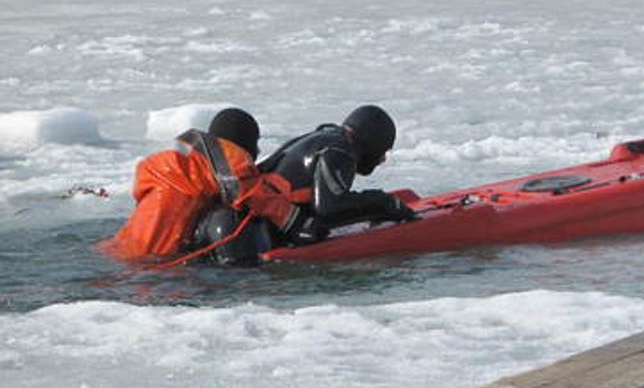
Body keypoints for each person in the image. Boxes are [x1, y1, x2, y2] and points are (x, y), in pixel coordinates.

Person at [102, 108, 301, 265]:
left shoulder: (184, 162)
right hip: (154, 263)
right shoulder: (230, 158)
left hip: (119, 250)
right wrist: (295, 220)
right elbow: (251, 194)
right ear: (244, 142)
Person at [257, 104, 417, 243]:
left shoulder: (323, 136)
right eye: (383, 151)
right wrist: (382, 202)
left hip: (261, 225)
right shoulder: (339, 151)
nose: (382, 159)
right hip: (272, 236)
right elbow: (329, 208)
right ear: (371, 144)